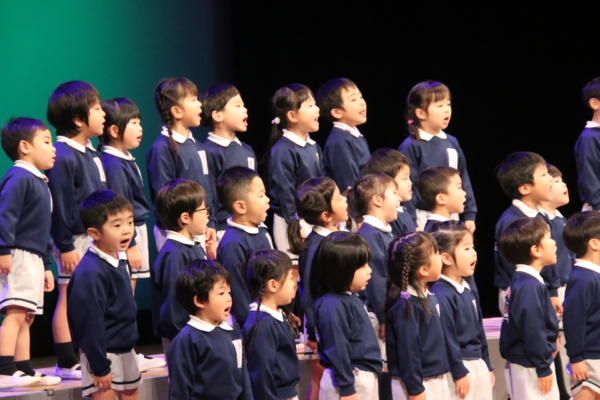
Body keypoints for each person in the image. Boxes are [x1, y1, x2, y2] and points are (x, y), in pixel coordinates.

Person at [46, 80, 107, 379]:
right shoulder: (63, 155)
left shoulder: (90, 152)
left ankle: (93, 353)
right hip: (74, 240)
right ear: (78, 119)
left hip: (93, 238)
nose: (103, 113)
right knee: (68, 296)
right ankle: (66, 360)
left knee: (91, 299)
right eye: (96, 108)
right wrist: (66, 244)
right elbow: (59, 205)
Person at [0, 117, 58, 387]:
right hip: (18, 255)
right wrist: (3, 249)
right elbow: (5, 216)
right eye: (46, 141)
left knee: (27, 316)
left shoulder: (40, 181)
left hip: (34, 257)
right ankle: (4, 369)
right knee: (15, 313)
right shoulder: (19, 177)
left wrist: (46, 265)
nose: (53, 148)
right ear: (25, 147)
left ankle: (23, 368)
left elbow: (43, 228)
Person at [67, 190, 141, 399]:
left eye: (130, 222)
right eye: (117, 225)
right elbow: (88, 322)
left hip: (127, 350)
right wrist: (100, 366)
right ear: (95, 233)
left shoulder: (120, 260)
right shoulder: (90, 272)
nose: (127, 230)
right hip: (103, 354)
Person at [147, 77, 217, 257]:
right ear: (176, 111)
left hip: (199, 226)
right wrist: (182, 226)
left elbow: (208, 185)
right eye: (193, 100)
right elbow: (164, 195)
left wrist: (210, 222)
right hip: (176, 232)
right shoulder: (162, 148)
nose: (200, 104)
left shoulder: (198, 146)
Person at [167, 260, 252, 400]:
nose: (229, 298)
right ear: (199, 301)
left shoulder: (234, 335)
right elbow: (179, 390)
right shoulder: (187, 340)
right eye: (221, 293)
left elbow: (244, 381)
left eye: (229, 292)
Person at [311, 232, 382, 399]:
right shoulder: (332, 304)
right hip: (349, 380)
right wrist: (347, 387)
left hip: (359, 377)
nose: (369, 270)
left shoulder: (349, 298)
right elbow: (336, 348)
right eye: (362, 266)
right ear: (341, 269)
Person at [398, 81, 476, 232]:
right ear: (421, 113)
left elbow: (463, 177)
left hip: (451, 213)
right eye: (440, 106)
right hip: (423, 216)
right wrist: (412, 222)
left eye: (448, 104)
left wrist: (469, 214)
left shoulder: (451, 142)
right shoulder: (412, 146)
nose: (447, 110)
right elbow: (407, 186)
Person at [430, 222, 494, 400]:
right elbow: (447, 338)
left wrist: (487, 365)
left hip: (477, 362)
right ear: (446, 258)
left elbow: (479, 330)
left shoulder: (468, 287)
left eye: (473, 247)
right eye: (466, 248)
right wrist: (458, 372)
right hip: (458, 365)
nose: (474, 253)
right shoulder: (441, 294)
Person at [499, 218, 560, 400]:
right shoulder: (529, 286)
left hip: (530, 364)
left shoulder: (525, 281)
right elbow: (532, 329)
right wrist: (542, 366)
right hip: (531, 366)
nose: (554, 242)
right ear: (536, 250)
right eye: (548, 238)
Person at [385, 232, 450, 400]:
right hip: (417, 384)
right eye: (436, 253)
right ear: (423, 269)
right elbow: (408, 351)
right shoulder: (406, 305)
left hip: (434, 378)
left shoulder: (426, 296)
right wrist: (415, 389)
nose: (441, 256)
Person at [150, 179, 209, 354]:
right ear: (185, 218)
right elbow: (173, 306)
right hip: (183, 340)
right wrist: (184, 341)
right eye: (203, 210)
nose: (208, 214)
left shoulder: (193, 246)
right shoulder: (174, 255)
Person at [267, 84, 323, 263]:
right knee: (295, 268)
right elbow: (285, 192)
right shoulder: (283, 150)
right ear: (292, 116)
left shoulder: (313, 146)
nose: (317, 109)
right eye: (310, 105)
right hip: (290, 222)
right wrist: (295, 224)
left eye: (315, 104)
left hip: (313, 217)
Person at [216, 167, 272, 326]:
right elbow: (238, 291)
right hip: (251, 323)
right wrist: (251, 324)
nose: (267, 199)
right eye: (261, 195)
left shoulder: (261, 231)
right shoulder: (233, 244)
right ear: (240, 206)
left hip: (267, 314)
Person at [241, 249, 301, 400]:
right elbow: (261, 372)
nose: (295, 283)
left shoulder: (274, 317)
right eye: (290, 278)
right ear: (273, 285)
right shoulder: (262, 324)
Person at [200, 84, 256, 238]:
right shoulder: (208, 151)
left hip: (250, 224)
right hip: (223, 228)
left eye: (243, 105)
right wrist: (211, 224)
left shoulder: (247, 151)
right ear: (218, 115)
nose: (245, 109)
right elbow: (208, 191)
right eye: (237, 106)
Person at [316, 78, 370, 191]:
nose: (362, 102)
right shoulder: (339, 141)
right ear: (337, 112)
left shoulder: (354, 136)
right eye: (353, 99)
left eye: (360, 97)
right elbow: (348, 186)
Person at [365, 149, 416, 237]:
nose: (410, 183)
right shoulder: (391, 217)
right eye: (405, 178)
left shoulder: (402, 212)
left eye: (409, 177)